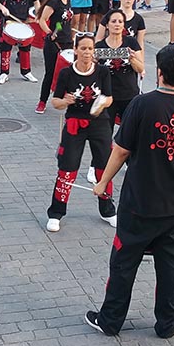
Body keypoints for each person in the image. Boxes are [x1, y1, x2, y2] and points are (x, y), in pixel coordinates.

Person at [84, 44, 174, 339]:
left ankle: (110, 320)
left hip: (139, 203)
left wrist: (103, 183)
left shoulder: (141, 105)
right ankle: (167, 323)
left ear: (160, 72)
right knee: (171, 267)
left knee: (124, 263)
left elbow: (121, 151)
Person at [45, 34, 116, 233]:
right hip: (74, 124)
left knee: (104, 167)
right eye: (83, 48)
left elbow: (109, 98)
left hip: (99, 123)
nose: (86, 53)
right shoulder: (67, 73)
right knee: (67, 168)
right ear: (76, 50)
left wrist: (101, 103)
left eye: (90, 49)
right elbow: (55, 102)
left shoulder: (102, 71)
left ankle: (107, 210)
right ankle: (56, 212)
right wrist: (65, 101)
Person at [36, 0, 74, 114]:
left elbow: (68, 22)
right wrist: (49, 32)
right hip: (54, 43)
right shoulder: (54, 2)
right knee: (50, 72)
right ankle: (42, 101)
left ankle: (66, 99)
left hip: (67, 42)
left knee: (68, 73)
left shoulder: (68, 0)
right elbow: (42, 20)